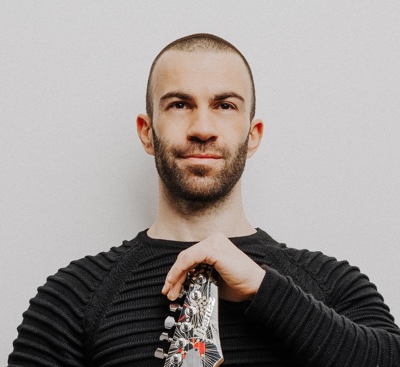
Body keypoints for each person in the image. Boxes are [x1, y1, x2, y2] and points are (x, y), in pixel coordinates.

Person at [8, 33, 400, 367]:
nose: (202, 128)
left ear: (253, 135)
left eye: (225, 106)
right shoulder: (73, 297)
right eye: (179, 105)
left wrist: (265, 290)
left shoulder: (334, 283)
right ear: (146, 132)